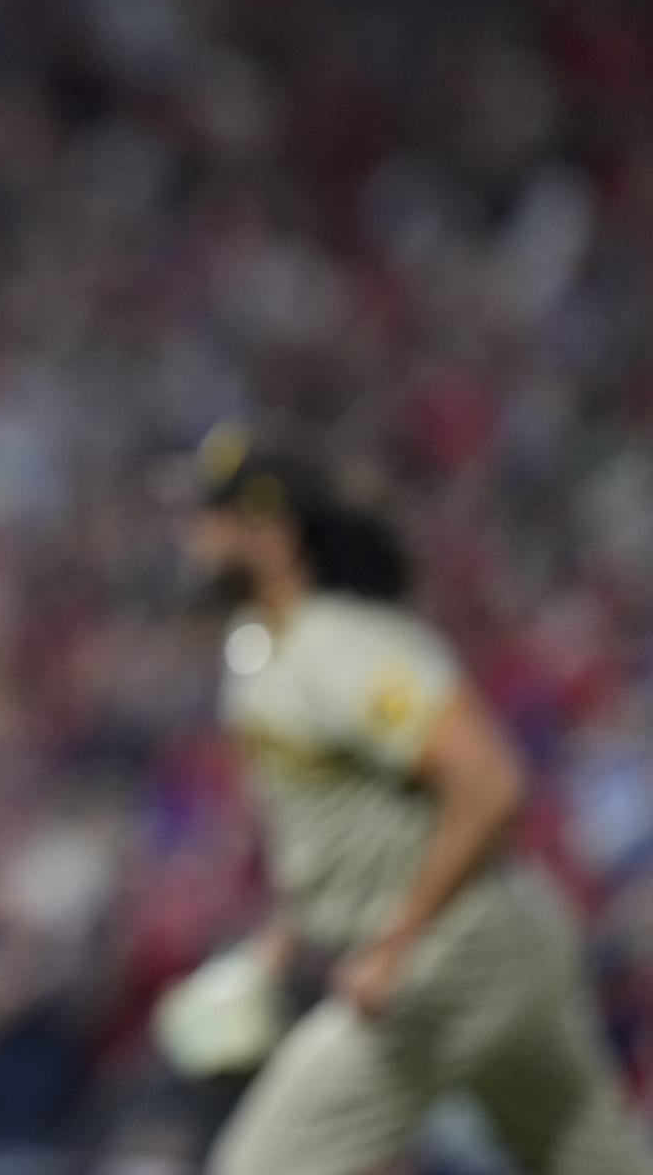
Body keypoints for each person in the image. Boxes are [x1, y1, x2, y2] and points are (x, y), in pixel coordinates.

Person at [177, 433, 652, 1175]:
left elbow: (492, 783)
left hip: (456, 951)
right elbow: (341, 829)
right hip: (499, 945)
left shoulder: (344, 644)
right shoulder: (268, 647)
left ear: (272, 531)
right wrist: (285, 937)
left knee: (260, 1166)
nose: (194, 534)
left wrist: (395, 943)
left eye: (212, 514)